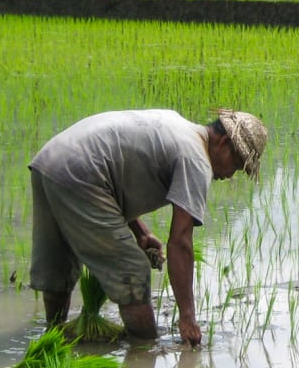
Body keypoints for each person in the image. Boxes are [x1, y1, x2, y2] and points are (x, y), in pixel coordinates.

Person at [29, 108, 268, 347]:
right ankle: (143, 352)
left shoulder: (176, 124)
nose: (229, 175)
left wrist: (140, 232)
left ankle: (54, 339)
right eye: (235, 165)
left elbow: (114, 171)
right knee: (133, 271)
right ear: (224, 142)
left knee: (56, 259)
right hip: (81, 172)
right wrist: (187, 317)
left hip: (50, 160)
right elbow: (180, 242)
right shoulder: (196, 160)